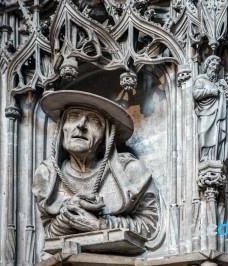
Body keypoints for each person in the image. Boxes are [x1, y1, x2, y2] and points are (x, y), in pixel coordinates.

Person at [32, 90, 159, 240]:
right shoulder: (47, 175)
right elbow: (49, 234)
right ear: (62, 128)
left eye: (94, 120)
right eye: (73, 117)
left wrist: (101, 225)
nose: (81, 125)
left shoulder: (130, 171)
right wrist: (66, 217)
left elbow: (150, 225)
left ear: (106, 135)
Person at [193, 55, 228, 162]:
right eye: (213, 64)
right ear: (207, 65)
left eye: (217, 66)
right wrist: (211, 92)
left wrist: (226, 88)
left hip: (218, 113)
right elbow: (196, 94)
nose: (215, 67)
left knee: (217, 135)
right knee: (204, 133)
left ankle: (215, 157)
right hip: (205, 112)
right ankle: (204, 157)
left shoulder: (220, 83)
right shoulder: (201, 80)